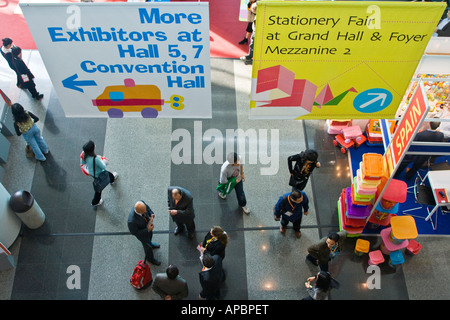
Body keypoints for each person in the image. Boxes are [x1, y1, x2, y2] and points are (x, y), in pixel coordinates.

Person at [80, 140, 118, 206]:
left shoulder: (84, 155)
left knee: (108, 177)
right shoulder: (95, 159)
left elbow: (83, 163)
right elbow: (103, 166)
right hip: (100, 173)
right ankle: (95, 202)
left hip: (93, 174)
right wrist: (104, 160)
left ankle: (112, 180)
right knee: (100, 187)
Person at [128, 200, 161, 266]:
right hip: (142, 235)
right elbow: (134, 232)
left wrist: (151, 214)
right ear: (138, 211)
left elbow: (148, 209)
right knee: (147, 246)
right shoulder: (131, 221)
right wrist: (147, 229)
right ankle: (150, 258)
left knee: (150, 237)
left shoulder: (141, 203)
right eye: (143, 212)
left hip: (147, 227)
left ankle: (151, 244)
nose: (145, 212)